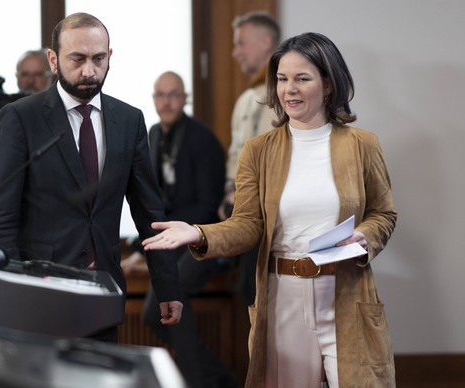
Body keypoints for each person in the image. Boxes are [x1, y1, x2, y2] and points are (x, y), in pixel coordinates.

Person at [142, 32, 397, 387]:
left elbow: (384, 214)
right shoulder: (258, 151)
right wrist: (199, 233)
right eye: (281, 79)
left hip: (347, 294)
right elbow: (247, 225)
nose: (289, 89)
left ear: (327, 84)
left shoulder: (362, 145)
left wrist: (365, 236)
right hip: (283, 297)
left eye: (301, 79)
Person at [0, 12, 183, 343]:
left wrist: (167, 286)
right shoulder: (21, 118)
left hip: (102, 293)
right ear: (54, 59)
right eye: (78, 59)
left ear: (109, 57)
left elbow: (149, 212)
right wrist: (10, 294)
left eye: (98, 58)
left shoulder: (129, 120)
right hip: (38, 297)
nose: (90, 70)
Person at [120, 71, 236, 388]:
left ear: (185, 99)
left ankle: (197, 382)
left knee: (174, 296)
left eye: (173, 95)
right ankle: (219, 379)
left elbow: (209, 205)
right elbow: (152, 201)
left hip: (206, 238)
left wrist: (167, 235)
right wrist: (142, 246)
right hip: (173, 240)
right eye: (160, 95)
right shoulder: (154, 134)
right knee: (150, 313)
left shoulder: (202, 139)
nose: (166, 102)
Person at [221, 11, 281, 309]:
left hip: (270, 221)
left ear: (266, 42)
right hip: (239, 215)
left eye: (241, 43)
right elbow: (237, 154)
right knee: (247, 294)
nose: (235, 52)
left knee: (260, 297)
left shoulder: (287, 96)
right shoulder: (247, 98)